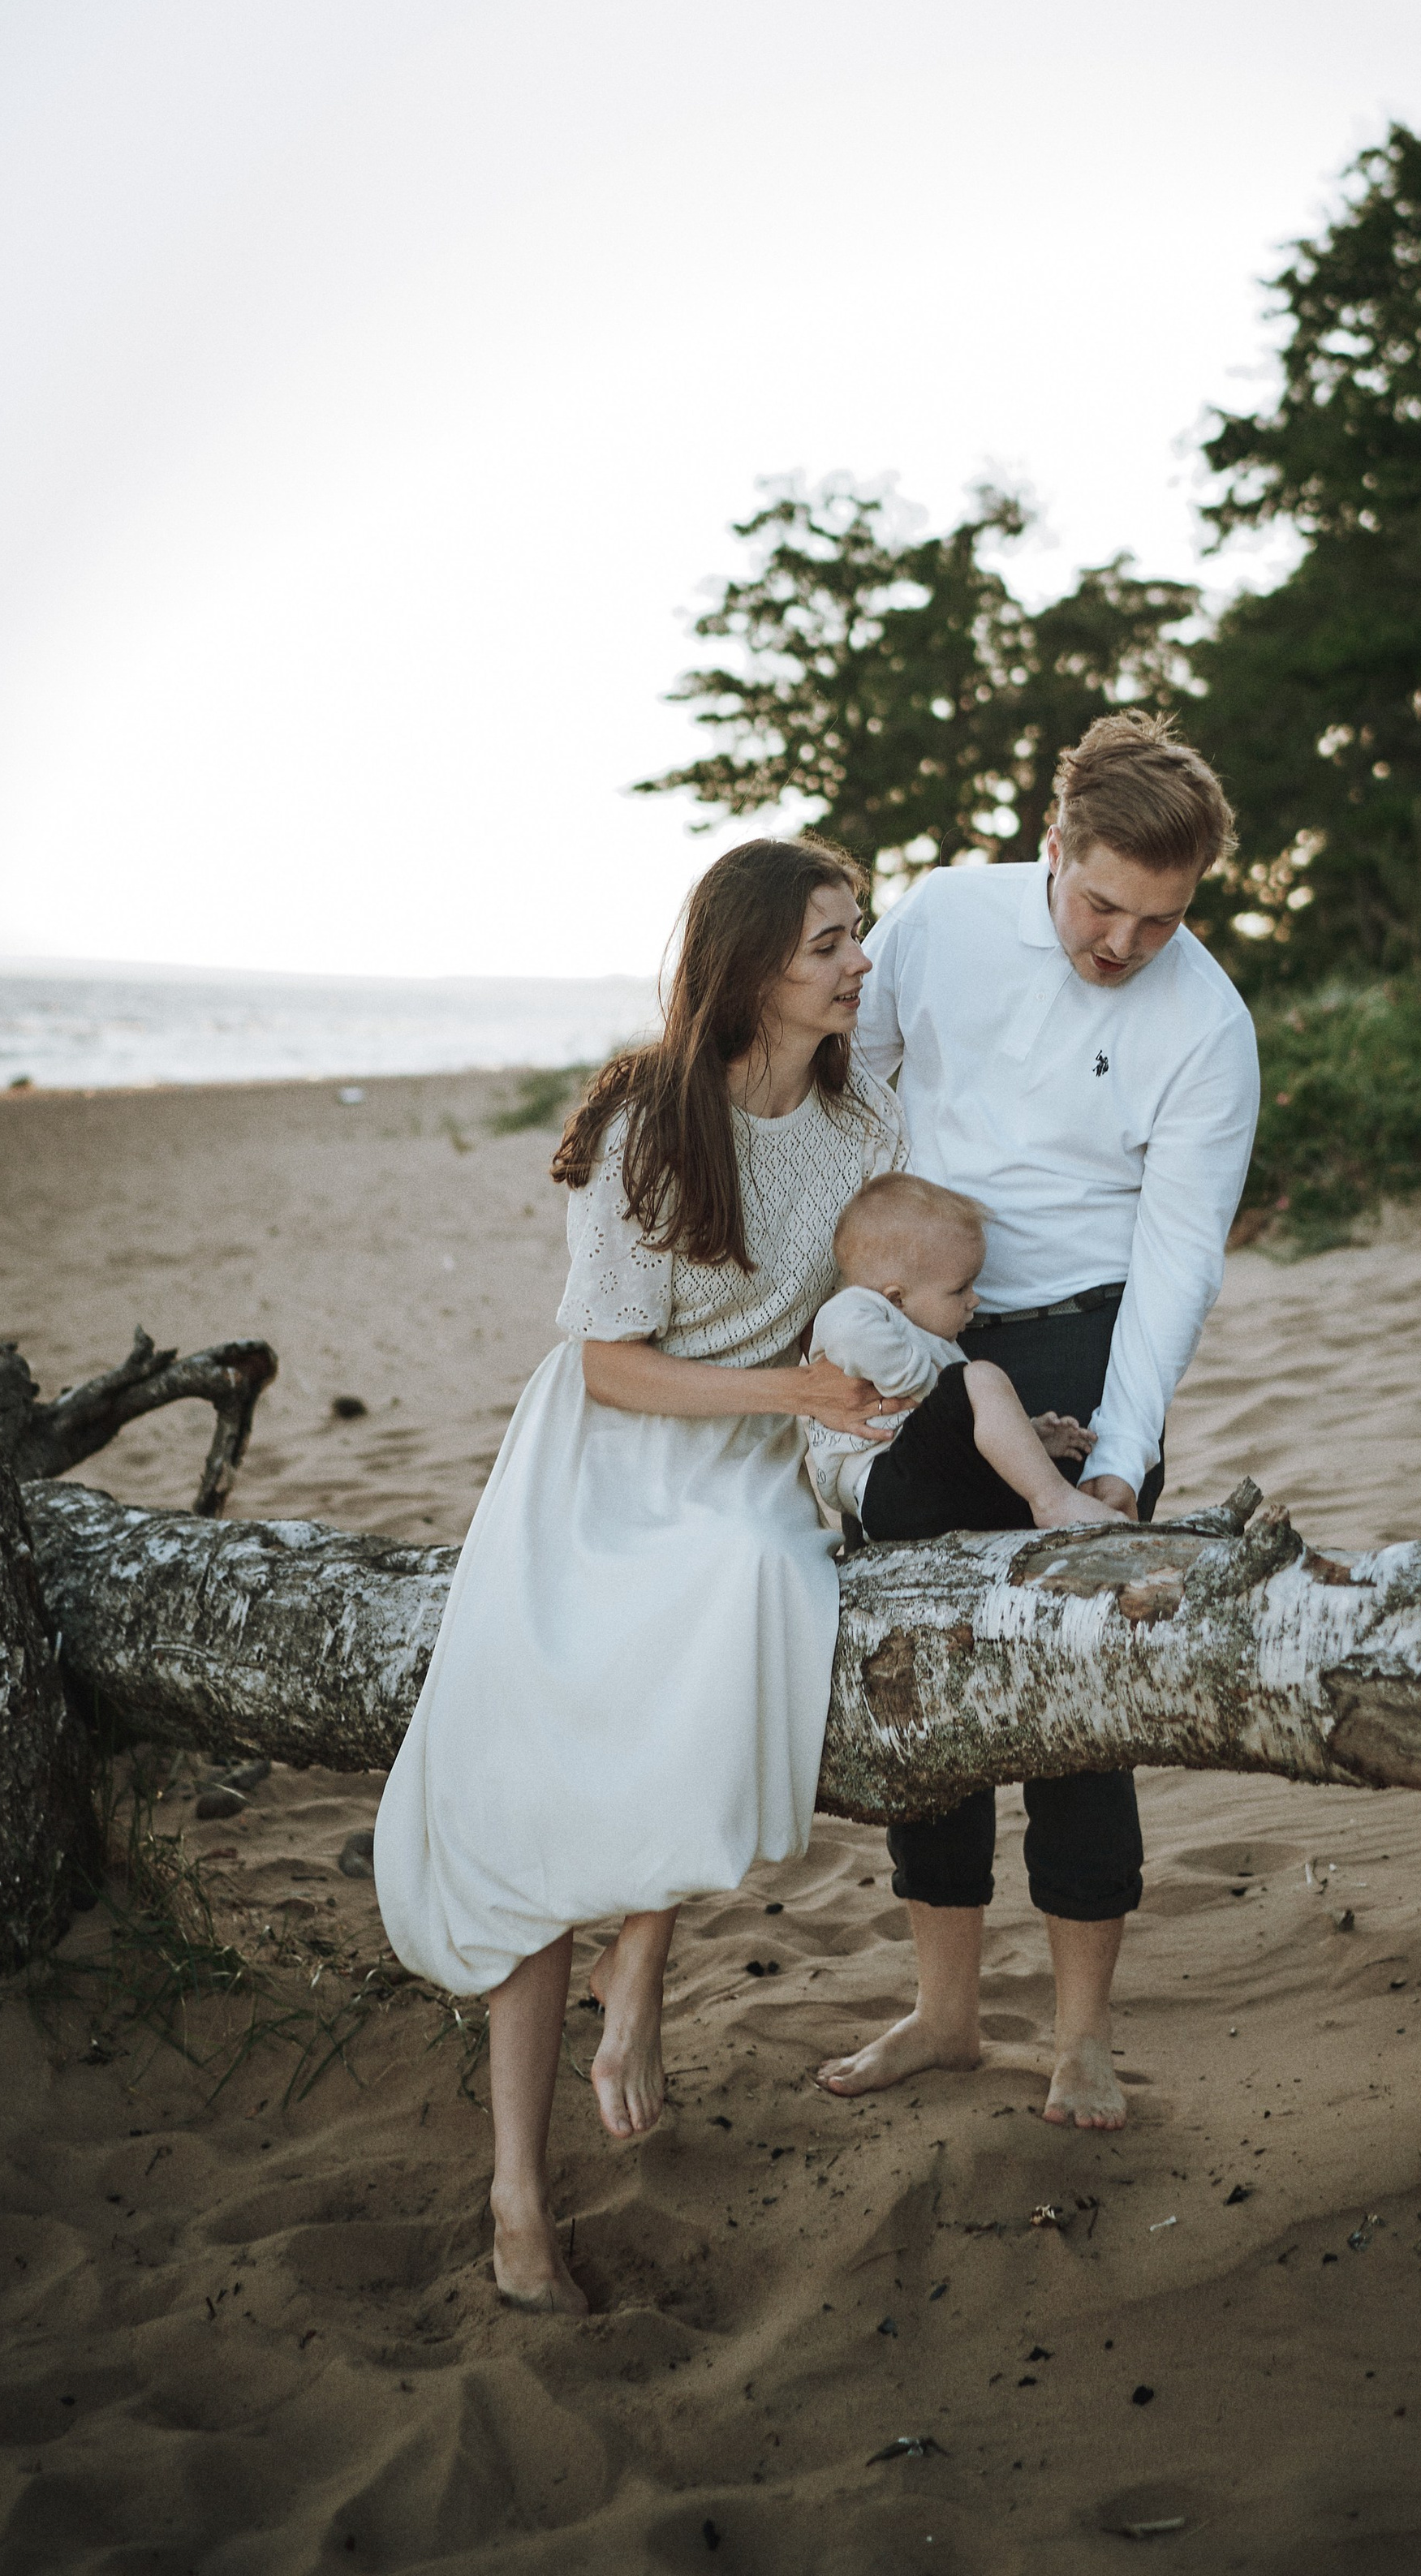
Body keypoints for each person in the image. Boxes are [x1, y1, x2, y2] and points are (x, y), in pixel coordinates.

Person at [374, 836, 906, 2313]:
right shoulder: (645, 1127)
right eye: (829, 944)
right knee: (542, 1801)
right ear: (748, 972)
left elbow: (887, 1303)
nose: (861, 961)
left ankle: (645, 1964)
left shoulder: (864, 1120)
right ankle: (517, 2195)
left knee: (748, 1574)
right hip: (609, 1459)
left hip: (745, 1469)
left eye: (858, 934)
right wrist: (788, 1396)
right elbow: (608, 1367)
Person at [819, 712, 1259, 2131]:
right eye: (1101, 903)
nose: (1122, 943)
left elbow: (1182, 1254)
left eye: (1160, 919)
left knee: (1077, 1695)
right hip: (915, 1328)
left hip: (1080, 1335)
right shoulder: (943, 916)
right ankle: (946, 2013)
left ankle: (1080, 2038)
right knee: (920, 1671)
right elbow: (851, 1085)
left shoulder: (1206, 1022)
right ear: (1051, 842)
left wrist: (1124, 1459)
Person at [802, 1171, 1121, 1540]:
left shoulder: (931, 1338)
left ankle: (1053, 1501)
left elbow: (963, 1425)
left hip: (928, 1488)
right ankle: (1055, 1502)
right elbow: (846, 1332)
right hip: (885, 1483)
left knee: (1009, 1492)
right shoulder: (858, 1307)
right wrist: (923, 1380)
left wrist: (1029, 1434)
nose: (975, 1299)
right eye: (959, 1290)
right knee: (981, 1379)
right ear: (896, 1298)